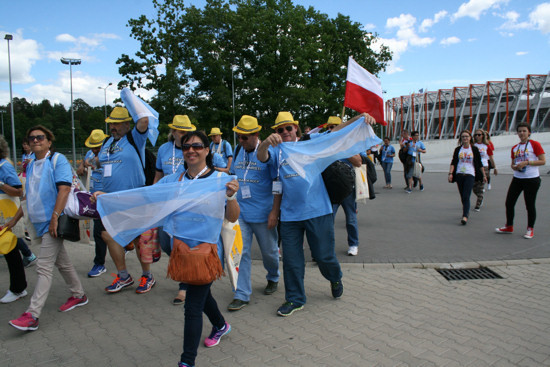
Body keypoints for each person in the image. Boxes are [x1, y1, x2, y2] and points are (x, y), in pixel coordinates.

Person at [257, 111, 376, 317]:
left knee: (323, 256)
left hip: (318, 211)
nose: (284, 132)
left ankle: (335, 276)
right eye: (279, 129)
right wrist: (266, 143)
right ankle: (295, 299)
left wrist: (359, 117)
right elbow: (262, 158)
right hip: (290, 217)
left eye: (288, 128)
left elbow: (337, 132)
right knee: (292, 261)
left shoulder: (311, 141)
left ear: (296, 127)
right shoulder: (276, 151)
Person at [154, 131, 239, 367]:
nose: (191, 150)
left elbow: (232, 217)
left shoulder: (221, 180)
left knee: (192, 306)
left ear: (207, 150)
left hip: (206, 252)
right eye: (186, 147)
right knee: (201, 292)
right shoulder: (173, 181)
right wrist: (108, 198)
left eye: (197, 146)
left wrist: (231, 198)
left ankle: (187, 361)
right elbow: (144, 196)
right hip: (180, 251)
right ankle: (221, 325)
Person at [6, 126, 88, 331]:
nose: (35, 141)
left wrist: (54, 217)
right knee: (63, 262)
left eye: (40, 137)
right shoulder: (31, 164)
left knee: (43, 266)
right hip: (38, 222)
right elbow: (28, 198)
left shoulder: (57, 160)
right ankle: (79, 295)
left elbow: (64, 189)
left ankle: (32, 315)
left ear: (49, 141)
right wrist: (14, 221)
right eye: (31, 138)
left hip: (53, 222)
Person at [97, 107, 154, 294]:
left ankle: (147, 276)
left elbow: (144, 121)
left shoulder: (134, 138)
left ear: (127, 124)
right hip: (111, 201)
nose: (113, 127)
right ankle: (123, 276)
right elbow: (102, 162)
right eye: (111, 123)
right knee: (108, 235)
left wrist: (130, 99)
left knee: (139, 238)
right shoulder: (107, 142)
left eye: (117, 123)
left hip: (134, 199)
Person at [227, 115, 280, 311]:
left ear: (256, 135)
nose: (240, 140)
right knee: (242, 252)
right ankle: (241, 294)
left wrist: (275, 211)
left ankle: (273, 276)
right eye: (239, 136)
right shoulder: (238, 149)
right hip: (240, 212)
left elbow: (276, 182)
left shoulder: (268, 151)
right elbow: (234, 174)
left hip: (264, 214)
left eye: (245, 137)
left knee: (270, 252)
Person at [153, 115, 196, 305]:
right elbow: (158, 175)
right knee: (165, 243)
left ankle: (185, 285)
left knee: (181, 244)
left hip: (186, 205)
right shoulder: (163, 149)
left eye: (187, 132)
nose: (184, 135)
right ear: (173, 132)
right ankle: (188, 273)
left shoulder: (193, 150)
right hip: (165, 204)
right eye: (180, 132)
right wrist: (154, 198)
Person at [495, 122, 546, 239]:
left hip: (532, 179)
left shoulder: (534, 144)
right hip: (518, 178)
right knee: (509, 202)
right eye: (519, 131)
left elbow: (543, 161)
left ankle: (530, 229)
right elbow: (512, 163)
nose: (522, 133)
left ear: (529, 132)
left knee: (529, 204)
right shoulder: (515, 148)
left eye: (524, 131)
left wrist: (527, 162)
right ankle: (509, 226)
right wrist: (514, 166)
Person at [325, 116, 362, 257]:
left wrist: (342, 148)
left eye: (334, 126)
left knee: (351, 218)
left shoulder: (349, 143)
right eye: (329, 127)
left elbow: (358, 161)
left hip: (347, 187)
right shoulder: (325, 143)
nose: (331, 129)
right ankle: (328, 247)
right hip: (330, 187)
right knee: (328, 219)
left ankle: (353, 244)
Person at [76, 129, 110, 278]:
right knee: (99, 231)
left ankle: (100, 263)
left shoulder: (109, 155)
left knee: (101, 231)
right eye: (92, 147)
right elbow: (82, 167)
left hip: (107, 195)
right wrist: (82, 166)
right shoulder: (90, 154)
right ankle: (99, 263)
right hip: (93, 197)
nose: (94, 150)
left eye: (97, 147)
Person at [0, 135, 28, 303]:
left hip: (7, 214)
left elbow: (18, 191)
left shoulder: (5, 166)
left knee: (10, 251)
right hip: (3, 213)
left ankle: (18, 288)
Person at [448, 130, 486, 225]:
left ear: (470, 138)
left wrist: (484, 175)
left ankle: (465, 215)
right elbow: (453, 162)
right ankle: (466, 210)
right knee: (463, 196)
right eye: (463, 137)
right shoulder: (458, 150)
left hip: (470, 174)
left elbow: (479, 163)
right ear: (461, 138)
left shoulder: (474, 149)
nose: (465, 138)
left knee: (466, 195)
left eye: (467, 136)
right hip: (459, 174)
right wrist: (450, 173)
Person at [472, 129, 497, 211]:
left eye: (479, 135)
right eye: (476, 135)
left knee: (481, 184)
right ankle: (480, 196)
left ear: (483, 136)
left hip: (485, 166)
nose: (477, 136)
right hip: (475, 167)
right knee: (474, 187)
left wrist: (495, 167)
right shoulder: (472, 145)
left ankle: (478, 203)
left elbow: (491, 157)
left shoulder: (487, 146)